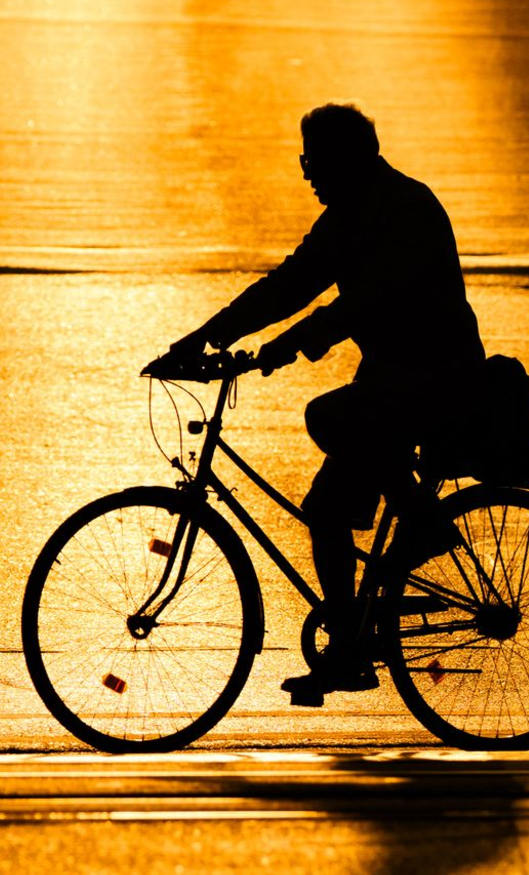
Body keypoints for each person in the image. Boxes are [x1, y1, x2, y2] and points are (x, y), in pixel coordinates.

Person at [165, 103, 485, 706]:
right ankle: (350, 648)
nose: (307, 172)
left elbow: (363, 305)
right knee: (327, 509)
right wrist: (206, 338)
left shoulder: (405, 208)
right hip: (394, 382)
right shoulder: (349, 215)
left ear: (347, 159)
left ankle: (420, 521)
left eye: (313, 160)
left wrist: (285, 346)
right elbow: (287, 285)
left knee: (329, 416)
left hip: (436, 379)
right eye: (304, 160)